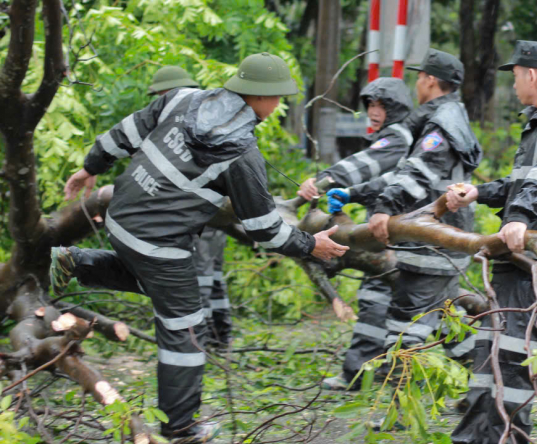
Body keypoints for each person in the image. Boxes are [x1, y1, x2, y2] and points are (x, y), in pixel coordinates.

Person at [50, 53, 349, 443]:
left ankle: (75, 262)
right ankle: (181, 427)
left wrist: (91, 165)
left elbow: (126, 130)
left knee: (160, 285)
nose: (278, 105)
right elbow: (265, 231)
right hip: (158, 243)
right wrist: (311, 245)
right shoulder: (241, 153)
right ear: (256, 96)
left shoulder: (184, 99)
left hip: (118, 216)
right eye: (275, 96)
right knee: (184, 327)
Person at [445, 41, 537, 443]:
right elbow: (522, 181)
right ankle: (475, 438)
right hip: (520, 253)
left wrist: (518, 216)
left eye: (514, 77)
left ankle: (509, 438)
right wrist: (482, 192)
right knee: (490, 350)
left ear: (530, 74)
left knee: (513, 355)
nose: (512, 86)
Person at [297, 77, 414, 390]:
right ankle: (358, 373)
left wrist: (323, 180)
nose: (374, 111)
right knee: (377, 297)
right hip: (388, 237)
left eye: (382, 105)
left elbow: (361, 167)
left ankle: (472, 366)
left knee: (421, 306)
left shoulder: (399, 137)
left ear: (397, 108)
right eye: (371, 105)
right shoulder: (396, 136)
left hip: (404, 239)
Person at [367, 49, 482, 360]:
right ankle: (482, 386)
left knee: (407, 317)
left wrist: (384, 208)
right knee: (449, 322)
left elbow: (417, 172)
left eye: (418, 79)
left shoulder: (440, 125)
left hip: (432, 241)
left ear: (430, 81)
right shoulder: (452, 117)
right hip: (442, 239)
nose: (416, 86)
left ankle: (401, 388)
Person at [147, 67, 234, 347]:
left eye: (161, 96)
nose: (158, 102)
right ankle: (221, 335)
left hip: (203, 213)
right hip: (215, 211)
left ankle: (204, 339)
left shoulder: (189, 122)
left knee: (201, 276)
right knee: (213, 274)